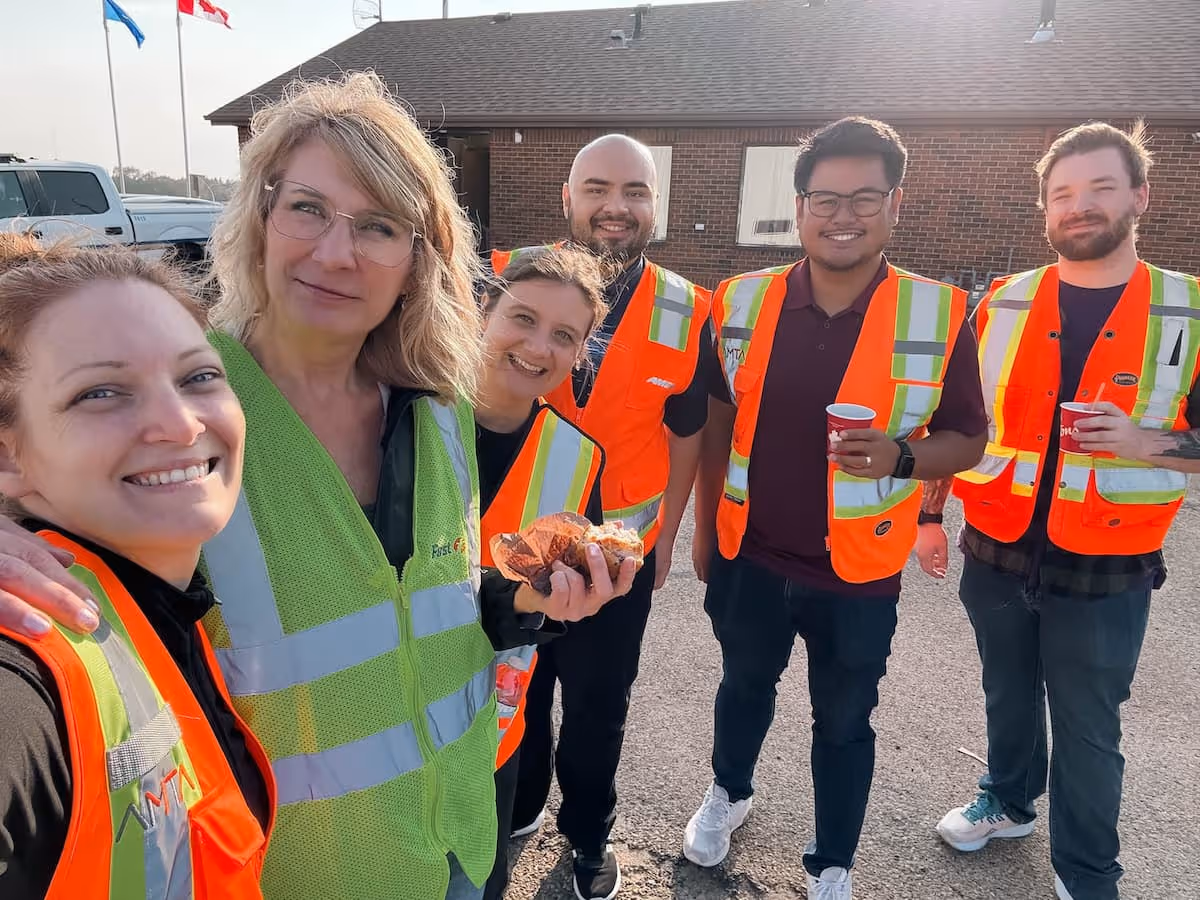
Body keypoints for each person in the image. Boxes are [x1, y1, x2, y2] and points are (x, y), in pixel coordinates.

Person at [0, 73, 633, 900]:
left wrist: (526, 605)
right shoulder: (181, 423)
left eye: (378, 226)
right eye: (307, 208)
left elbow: (422, 611)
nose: (336, 253)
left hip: (463, 842)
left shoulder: (437, 406)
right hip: (299, 875)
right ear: (260, 216)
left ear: (418, 259)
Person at [686, 117, 988, 900]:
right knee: (742, 687)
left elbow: (969, 438)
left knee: (845, 722)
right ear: (800, 206)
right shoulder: (741, 301)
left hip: (857, 572)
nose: (842, 214)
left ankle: (833, 864)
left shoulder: (939, 313)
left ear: (895, 204)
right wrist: (705, 523)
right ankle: (730, 792)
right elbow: (717, 418)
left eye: (864, 197)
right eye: (825, 197)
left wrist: (903, 458)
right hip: (750, 553)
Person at [925, 122, 1200, 900]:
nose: (1081, 207)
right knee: (1006, 692)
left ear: (1140, 196)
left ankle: (1087, 872)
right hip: (998, 546)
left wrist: (1147, 442)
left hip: (1110, 562)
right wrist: (928, 516)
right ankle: (1009, 802)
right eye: (1063, 194)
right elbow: (958, 425)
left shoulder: (1188, 307)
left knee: (1088, 726)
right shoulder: (1002, 303)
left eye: (1101, 189)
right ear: (1046, 209)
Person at [0, 237, 272, 899]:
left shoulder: (154, 613)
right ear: (9, 455)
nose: (179, 425)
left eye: (199, 376)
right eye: (100, 392)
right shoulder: (28, 668)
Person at [492, 134, 712, 900]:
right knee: (512, 685)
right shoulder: (501, 280)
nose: (615, 206)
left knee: (597, 706)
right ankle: (517, 805)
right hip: (510, 552)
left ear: (656, 204)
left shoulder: (689, 308)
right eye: (597, 188)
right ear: (567, 198)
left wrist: (667, 541)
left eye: (635, 191)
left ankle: (587, 835)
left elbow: (686, 436)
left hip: (620, 561)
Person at [475, 246, 610, 900]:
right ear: (483, 311)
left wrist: (574, 603)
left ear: (582, 353)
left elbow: (549, 604)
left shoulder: (578, 458)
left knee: (480, 881)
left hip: (494, 730)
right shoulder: (400, 413)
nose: (537, 346)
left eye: (564, 335)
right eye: (521, 318)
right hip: (387, 726)